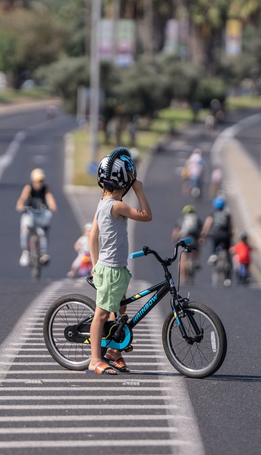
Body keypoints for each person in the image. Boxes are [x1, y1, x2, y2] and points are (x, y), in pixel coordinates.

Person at [88, 148, 152, 374]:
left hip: (115, 269)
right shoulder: (117, 206)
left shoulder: (102, 204)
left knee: (120, 309)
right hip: (111, 270)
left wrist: (95, 264)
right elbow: (146, 215)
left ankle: (114, 353)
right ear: (124, 183)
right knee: (102, 314)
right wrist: (140, 190)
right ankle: (95, 360)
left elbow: (92, 236)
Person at [15, 168, 58, 267]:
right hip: (30, 212)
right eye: (38, 181)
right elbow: (22, 199)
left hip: (42, 214)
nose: (40, 183)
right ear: (33, 180)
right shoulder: (29, 188)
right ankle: (25, 251)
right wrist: (20, 205)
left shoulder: (46, 188)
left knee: (43, 231)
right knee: (25, 229)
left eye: (41, 180)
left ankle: (43, 253)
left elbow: (50, 198)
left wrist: (53, 206)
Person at [201, 196, 234, 287]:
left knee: (214, 245)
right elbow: (231, 227)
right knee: (227, 254)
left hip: (216, 235)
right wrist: (231, 234)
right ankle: (227, 277)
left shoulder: (213, 214)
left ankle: (214, 255)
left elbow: (207, 226)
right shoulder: (227, 214)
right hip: (225, 236)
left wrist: (203, 236)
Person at [172, 204, 202, 281]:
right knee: (197, 249)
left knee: (182, 258)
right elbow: (201, 231)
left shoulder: (181, 220)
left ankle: (182, 277)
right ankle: (196, 260)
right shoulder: (197, 219)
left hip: (184, 241)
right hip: (194, 241)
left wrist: (175, 239)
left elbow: (176, 231)